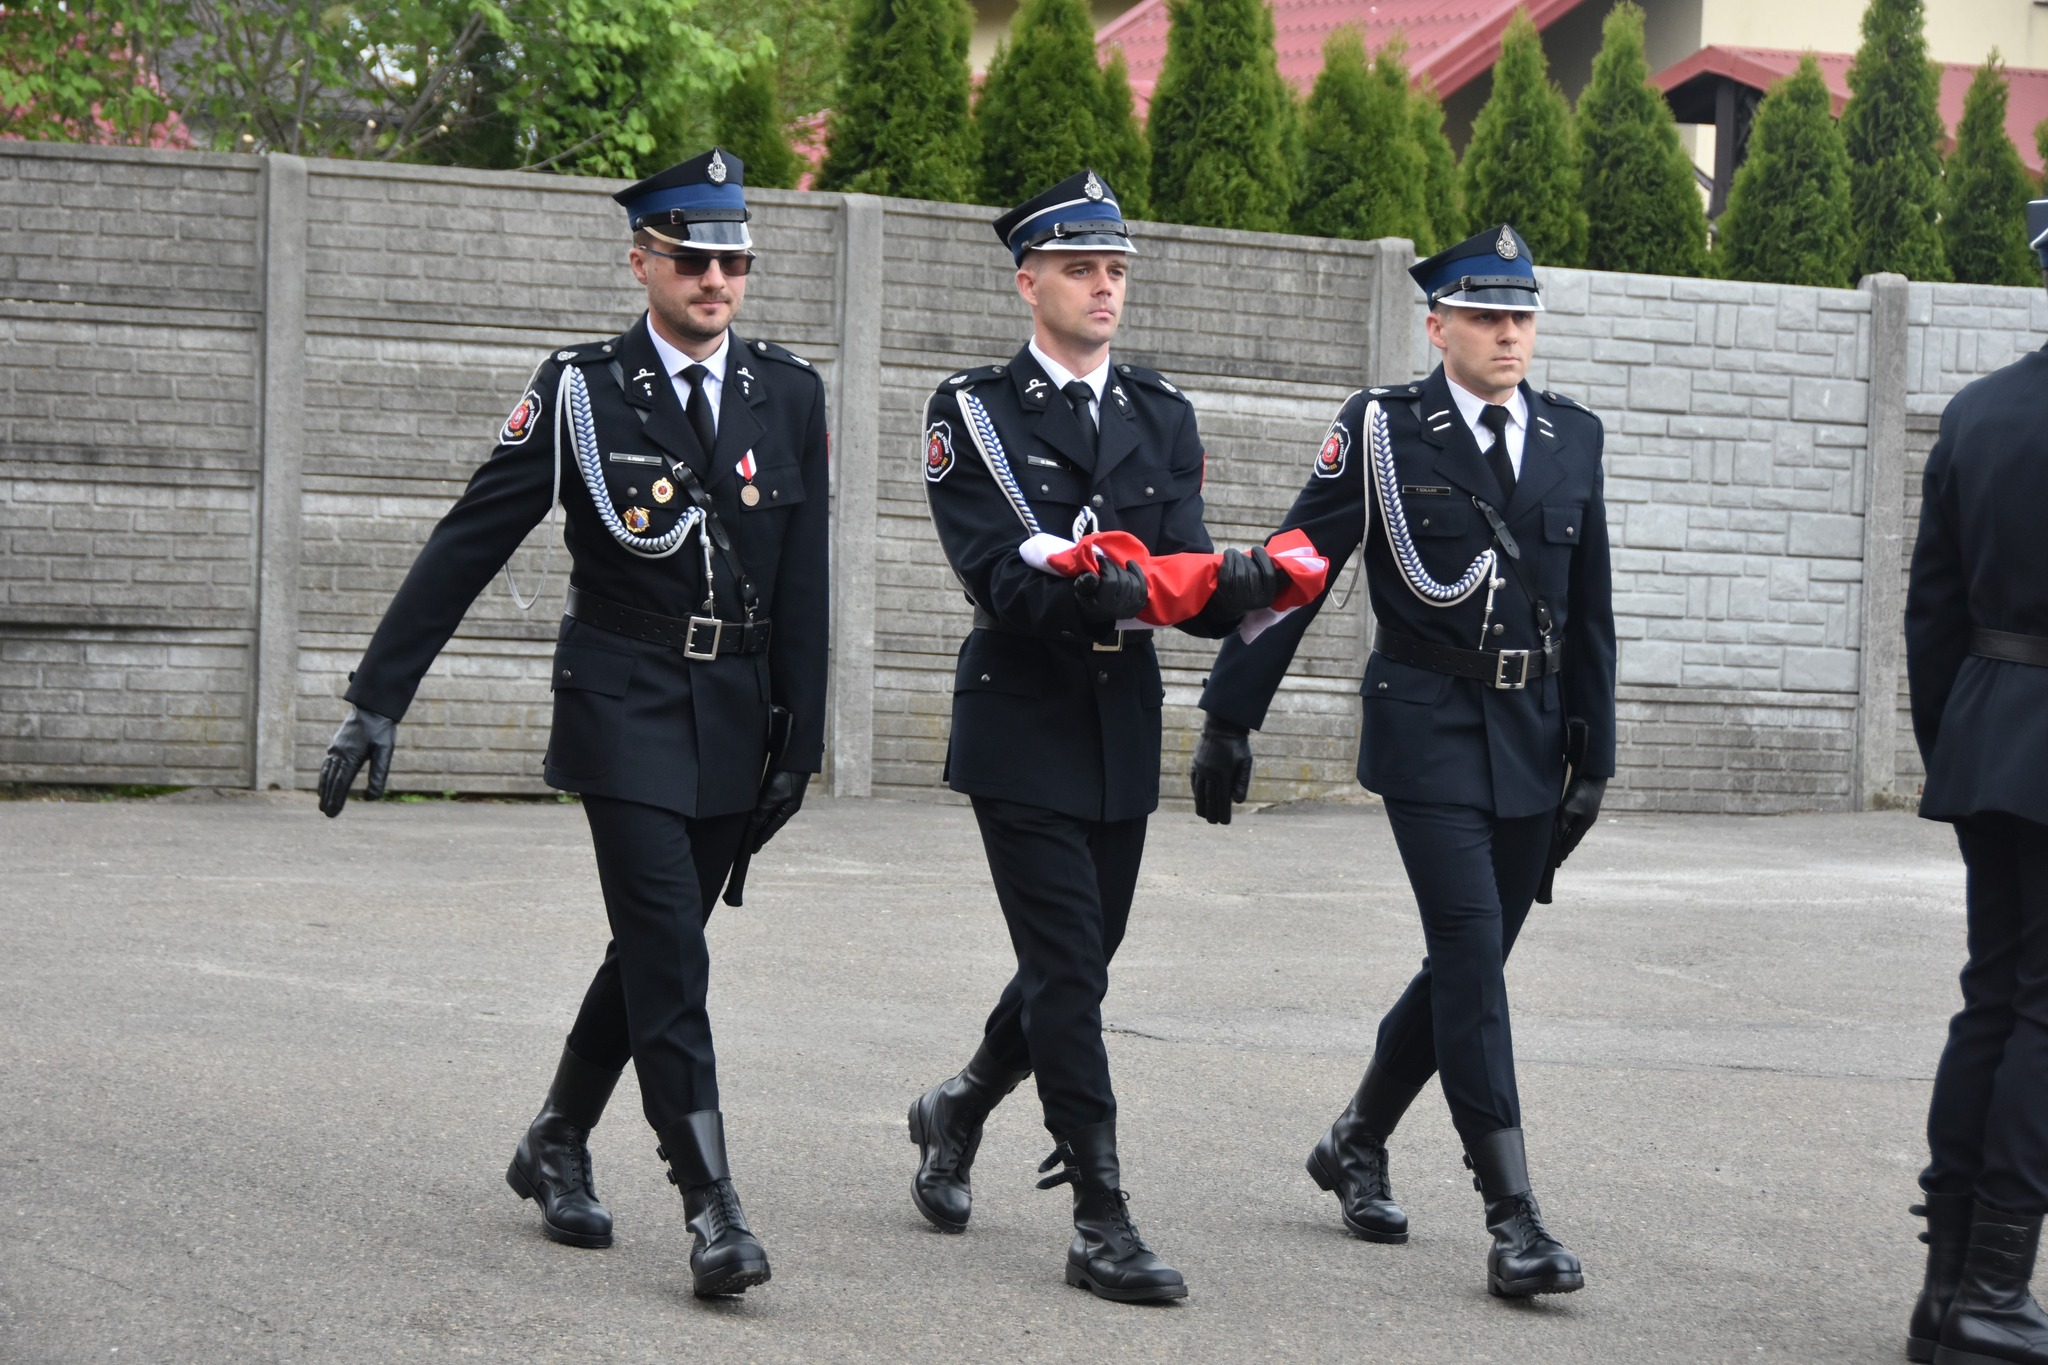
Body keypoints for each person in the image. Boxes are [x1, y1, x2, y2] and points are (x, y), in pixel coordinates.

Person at [315, 148, 829, 1299]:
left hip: (734, 710)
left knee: (653, 943)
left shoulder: (788, 393)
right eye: (690, 259)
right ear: (641, 261)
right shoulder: (581, 390)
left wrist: (797, 742)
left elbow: (805, 578)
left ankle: (556, 1135)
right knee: (671, 953)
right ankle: (710, 1205)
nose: (715, 279)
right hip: (621, 703)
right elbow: (471, 537)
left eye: (733, 260)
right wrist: (377, 696)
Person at [1190, 224, 1615, 1299]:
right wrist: (1229, 714)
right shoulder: (1382, 429)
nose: (1508, 333)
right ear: (1438, 327)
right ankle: (1513, 1217)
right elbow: (1298, 566)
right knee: (1470, 954)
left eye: (1521, 316)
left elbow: (1590, 611)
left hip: (1532, 735)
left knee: (1469, 967)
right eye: (1485, 316)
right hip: (1426, 731)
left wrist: (1595, 758)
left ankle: (1356, 1139)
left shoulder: (1572, 436)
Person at [909, 169, 1280, 1302]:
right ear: (1029, 283)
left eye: (1115, 269)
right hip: (1021, 715)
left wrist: (1237, 592)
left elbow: (1182, 571)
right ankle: (1100, 1219)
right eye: (1080, 269)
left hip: (1121, 720)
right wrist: (1089, 593)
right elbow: (992, 572)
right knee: (1069, 969)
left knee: (1078, 961)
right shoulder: (972, 411)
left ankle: (960, 1104)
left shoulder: (1159, 412)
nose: (1104, 287)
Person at [1900, 199, 2048, 1365]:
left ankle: (1947, 1291)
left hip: (1987, 734)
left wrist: (1950, 742)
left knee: (1992, 996)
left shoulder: (1977, 410)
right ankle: (1991, 1292)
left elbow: (1930, 614)